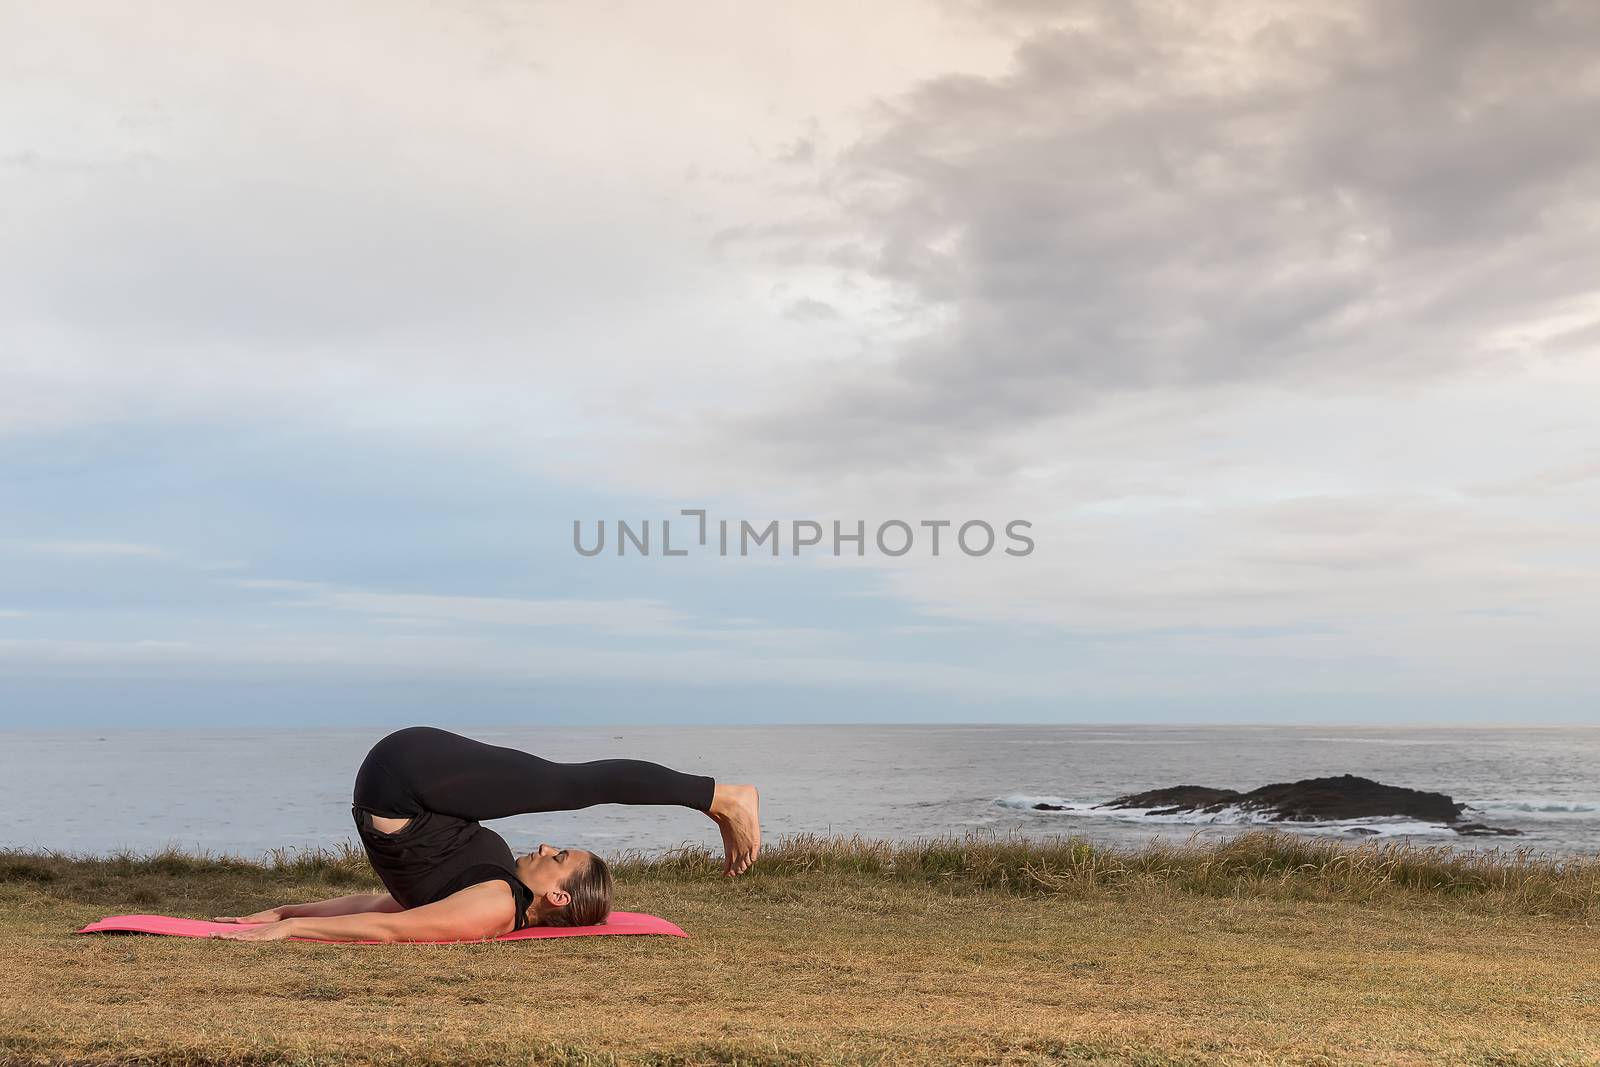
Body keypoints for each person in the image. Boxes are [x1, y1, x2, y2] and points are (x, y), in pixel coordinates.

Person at [209, 726, 760, 942]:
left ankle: (723, 796)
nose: (546, 846)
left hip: (404, 778)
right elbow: (392, 903)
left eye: (559, 855)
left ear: (558, 895)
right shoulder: (497, 890)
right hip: (410, 782)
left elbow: (391, 924)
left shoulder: (496, 905)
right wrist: (286, 911)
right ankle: (716, 798)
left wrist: (291, 930)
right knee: (564, 783)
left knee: (569, 784)